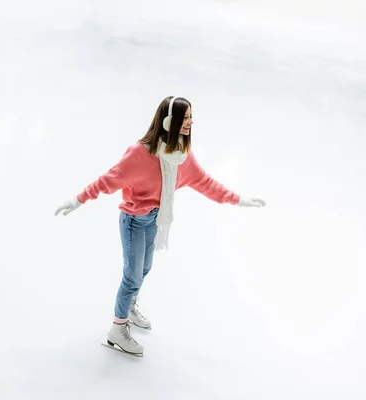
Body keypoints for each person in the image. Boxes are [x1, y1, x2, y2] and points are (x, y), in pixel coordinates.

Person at [54, 96, 266, 356]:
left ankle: (129, 305)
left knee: (144, 268)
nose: (190, 122)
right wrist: (76, 201)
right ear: (169, 121)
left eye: (190, 117)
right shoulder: (139, 154)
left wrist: (238, 200)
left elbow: (207, 184)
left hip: (155, 219)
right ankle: (117, 329)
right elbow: (106, 181)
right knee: (131, 276)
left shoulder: (182, 157)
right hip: (133, 221)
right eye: (185, 117)